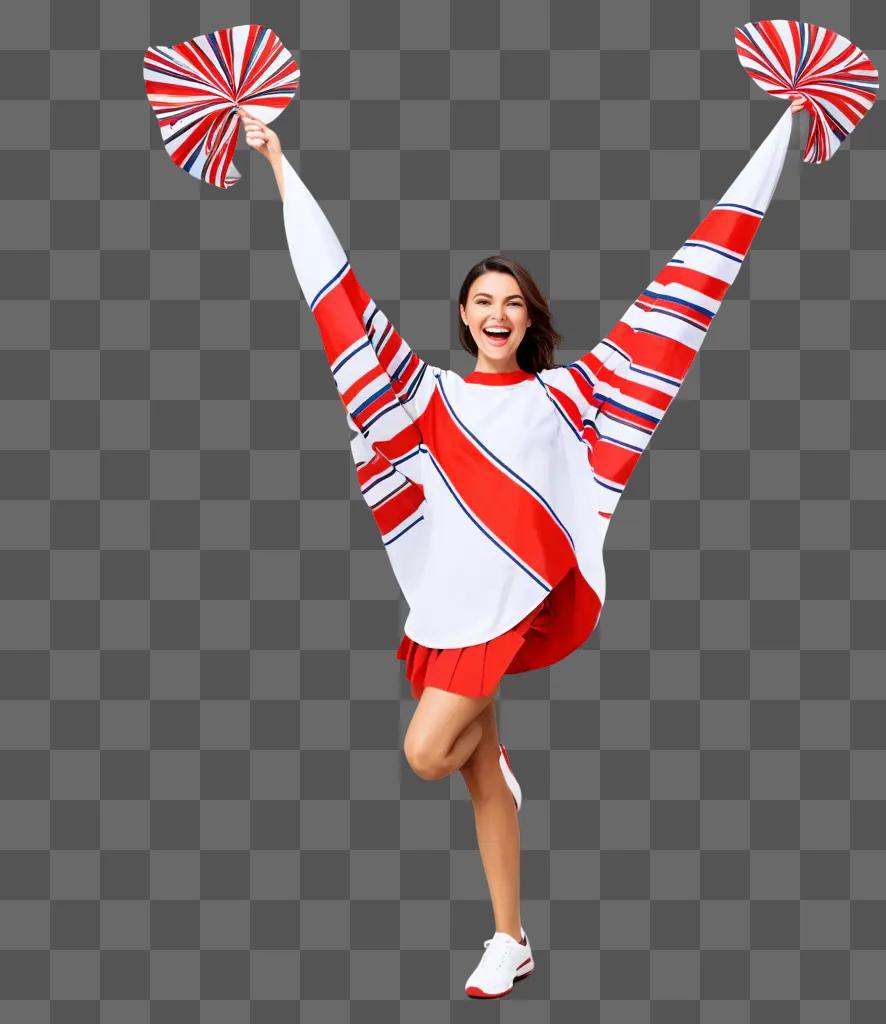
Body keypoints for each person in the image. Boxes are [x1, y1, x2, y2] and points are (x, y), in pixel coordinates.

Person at [241, 95, 805, 998]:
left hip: (516, 603)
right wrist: (277, 165)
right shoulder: (426, 396)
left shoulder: (570, 395)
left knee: (429, 752)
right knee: (472, 771)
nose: (497, 313)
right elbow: (338, 299)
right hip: (447, 605)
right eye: (482, 301)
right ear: (463, 316)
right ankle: (510, 937)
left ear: (527, 316)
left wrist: (779, 139)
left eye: (512, 302)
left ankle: (495, 803)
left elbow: (682, 298)